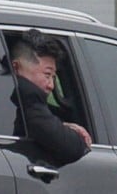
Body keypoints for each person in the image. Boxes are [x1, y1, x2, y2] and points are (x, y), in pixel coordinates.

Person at [8, 29, 92, 165]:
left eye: (54, 77)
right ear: (16, 68)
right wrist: (80, 139)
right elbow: (67, 145)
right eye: (47, 75)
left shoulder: (8, 99)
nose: (51, 85)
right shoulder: (28, 97)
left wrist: (61, 126)